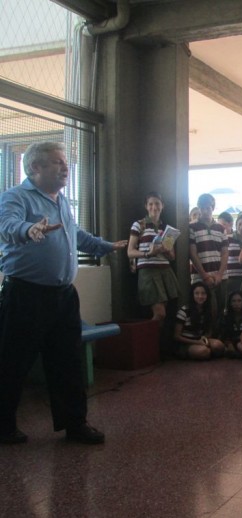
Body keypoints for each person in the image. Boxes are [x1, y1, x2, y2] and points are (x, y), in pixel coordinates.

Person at [0, 141, 127, 445]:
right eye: (58, 162)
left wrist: (103, 246)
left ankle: (75, 424)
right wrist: (29, 230)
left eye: (65, 162)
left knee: (68, 363)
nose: (66, 167)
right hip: (26, 295)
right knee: (12, 363)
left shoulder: (62, 201)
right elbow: (7, 225)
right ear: (35, 167)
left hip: (63, 296)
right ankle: (3, 426)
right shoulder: (15, 196)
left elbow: (75, 234)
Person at [127, 191, 178, 322]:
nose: (154, 207)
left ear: (162, 205)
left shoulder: (166, 228)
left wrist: (165, 250)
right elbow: (130, 252)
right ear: (146, 206)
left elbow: (172, 256)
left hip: (165, 271)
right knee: (160, 313)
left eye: (157, 203)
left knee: (165, 313)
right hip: (148, 272)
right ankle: (148, 334)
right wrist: (148, 253)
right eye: (150, 204)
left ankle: (156, 335)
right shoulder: (139, 224)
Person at [189, 193, 228, 318]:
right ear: (198, 208)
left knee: (221, 310)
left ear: (213, 207)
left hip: (220, 277)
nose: (205, 211)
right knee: (204, 311)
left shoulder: (221, 228)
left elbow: (225, 253)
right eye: (202, 208)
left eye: (208, 208)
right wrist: (204, 275)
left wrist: (220, 274)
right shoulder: (192, 227)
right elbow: (192, 253)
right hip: (200, 277)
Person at [174, 283, 225, 360]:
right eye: (197, 293)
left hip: (201, 340)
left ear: (207, 295)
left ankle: (207, 352)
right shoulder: (184, 311)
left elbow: (209, 331)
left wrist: (205, 340)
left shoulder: (207, 310)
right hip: (186, 343)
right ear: (192, 295)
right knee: (203, 351)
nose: (200, 296)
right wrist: (197, 342)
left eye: (203, 293)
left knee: (219, 345)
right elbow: (176, 336)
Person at [219, 291, 242, 358]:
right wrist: (229, 343)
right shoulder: (226, 316)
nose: (236, 304)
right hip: (232, 342)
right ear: (230, 303)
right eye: (233, 301)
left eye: (239, 301)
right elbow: (224, 334)